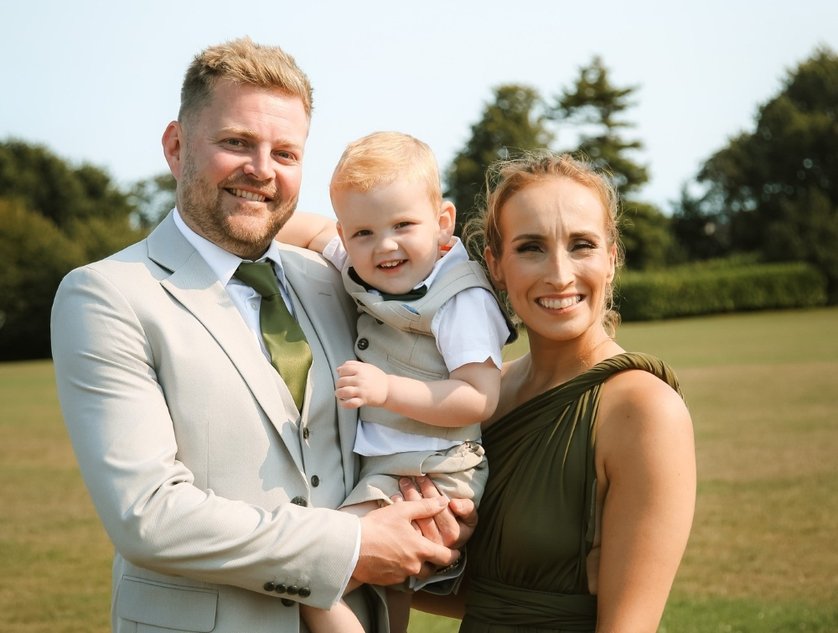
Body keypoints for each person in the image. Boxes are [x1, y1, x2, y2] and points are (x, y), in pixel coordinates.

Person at [50, 37, 475, 633]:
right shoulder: (107, 294)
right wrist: (349, 545)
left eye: (286, 152)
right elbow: (147, 515)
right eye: (235, 143)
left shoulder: (333, 278)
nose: (261, 170)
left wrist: (433, 508)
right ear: (176, 147)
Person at [408, 151, 696, 632]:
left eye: (581, 244)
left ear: (611, 258)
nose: (559, 274)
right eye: (531, 247)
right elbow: (487, 596)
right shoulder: (480, 394)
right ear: (495, 264)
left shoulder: (644, 410)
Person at [277, 131, 514, 633]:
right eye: (362, 233)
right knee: (389, 592)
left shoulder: (460, 298)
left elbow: (478, 397)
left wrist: (386, 390)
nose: (384, 245)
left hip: (433, 472)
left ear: (443, 222)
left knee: (318, 569)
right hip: (395, 467)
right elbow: (305, 227)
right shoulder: (363, 262)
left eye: (403, 224)